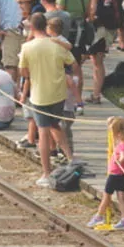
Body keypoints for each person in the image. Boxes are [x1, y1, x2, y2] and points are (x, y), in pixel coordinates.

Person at [19, 14, 77, 183]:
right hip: (58, 93)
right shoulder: (56, 45)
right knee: (55, 125)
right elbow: (72, 63)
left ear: (31, 27)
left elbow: (23, 72)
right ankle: (70, 158)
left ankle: (46, 172)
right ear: (46, 26)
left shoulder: (27, 47)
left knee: (43, 132)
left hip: (39, 94)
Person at [91, 116, 124, 232]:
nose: (112, 136)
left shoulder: (122, 145)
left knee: (106, 195)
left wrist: (118, 160)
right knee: (120, 196)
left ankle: (99, 216)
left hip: (115, 174)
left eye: (114, 133)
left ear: (119, 133)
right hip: (122, 175)